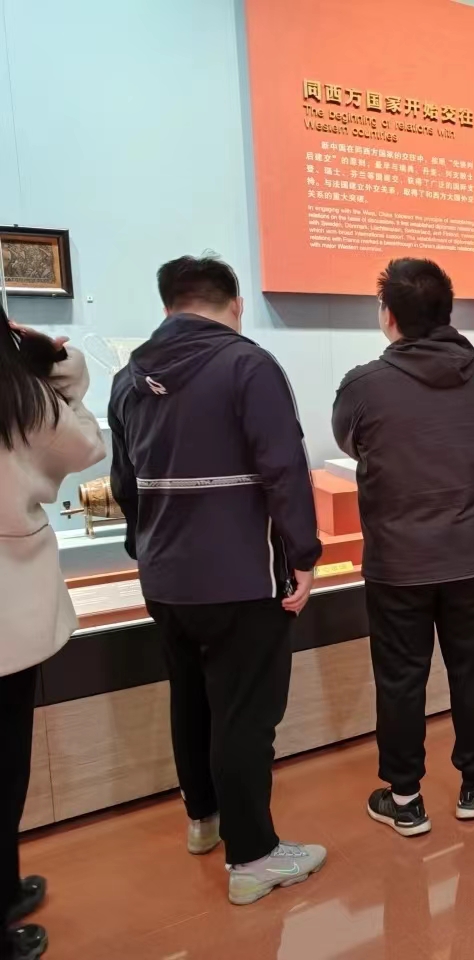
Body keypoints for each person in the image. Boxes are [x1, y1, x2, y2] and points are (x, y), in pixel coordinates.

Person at [109, 256, 325, 905]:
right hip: (240, 577)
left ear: (168, 305)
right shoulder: (248, 365)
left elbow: (124, 483)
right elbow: (284, 468)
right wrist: (303, 554)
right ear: (234, 305)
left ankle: (203, 820)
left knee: (191, 698)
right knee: (245, 714)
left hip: (164, 577)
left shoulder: (127, 377)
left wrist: (144, 548)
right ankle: (254, 856)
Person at [332, 259, 474, 835]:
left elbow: (352, 442)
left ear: (389, 315)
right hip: (471, 555)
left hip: (398, 560)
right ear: (447, 311)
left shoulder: (363, 385)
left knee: (401, 678)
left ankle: (405, 798)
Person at [0, 314, 105, 960]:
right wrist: (54, 362)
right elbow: (86, 446)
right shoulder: (20, 397)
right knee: (5, 768)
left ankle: (6, 889)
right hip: (10, 609)